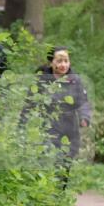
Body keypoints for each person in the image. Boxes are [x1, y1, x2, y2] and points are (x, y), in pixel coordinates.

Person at [28, 46, 92, 188]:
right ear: (51, 62)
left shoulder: (75, 80)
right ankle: (43, 196)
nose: (63, 65)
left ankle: (58, 198)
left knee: (64, 165)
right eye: (59, 61)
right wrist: (23, 124)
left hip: (69, 129)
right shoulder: (41, 79)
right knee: (47, 162)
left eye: (66, 61)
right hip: (46, 127)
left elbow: (83, 102)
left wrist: (84, 118)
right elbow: (29, 103)